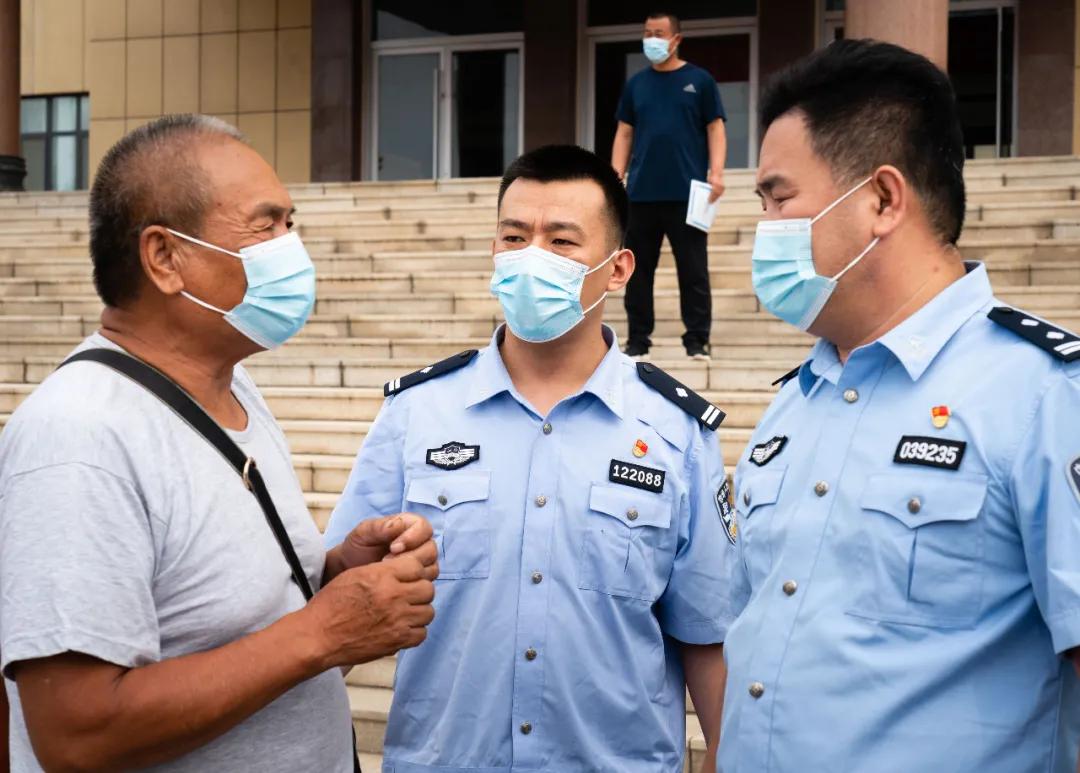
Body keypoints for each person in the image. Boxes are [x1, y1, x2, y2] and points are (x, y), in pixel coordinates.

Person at [0, 114, 439, 772]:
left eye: (291, 224)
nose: (291, 249)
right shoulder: (79, 437)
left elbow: (226, 616)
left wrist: (340, 577)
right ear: (164, 257)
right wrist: (322, 631)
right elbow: (76, 732)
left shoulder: (236, 392)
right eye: (266, 227)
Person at [719, 40, 1080, 772]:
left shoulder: (1043, 394)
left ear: (882, 199)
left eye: (779, 198)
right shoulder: (794, 404)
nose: (763, 227)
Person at [325, 145, 734, 773]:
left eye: (562, 241)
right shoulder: (416, 413)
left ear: (619, 268)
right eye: (514, 236)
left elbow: (707, 635)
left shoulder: (675, 431)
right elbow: (335, 606)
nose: (531, 256)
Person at [611, 11, 728, 361]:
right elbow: (625, 131)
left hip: (688, 194)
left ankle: (696, 340)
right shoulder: (637, 84)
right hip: (641, 194)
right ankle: (638, 340)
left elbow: (715, 127)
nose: (652, 39)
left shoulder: (700, 80)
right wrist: (615, 174)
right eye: (647, 32)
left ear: (676, 39)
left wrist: (717, 172)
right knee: (638, 271)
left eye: (659, 33)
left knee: (693, 270)